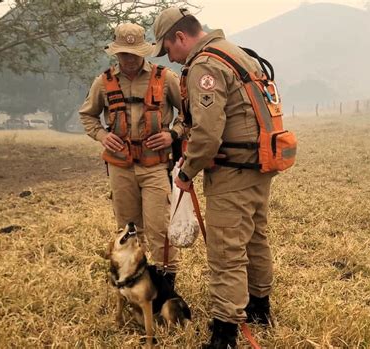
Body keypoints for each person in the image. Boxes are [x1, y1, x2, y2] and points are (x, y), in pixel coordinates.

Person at [153, 7, 276, 348]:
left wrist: (186, 171)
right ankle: (259, 308)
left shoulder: (205, 63)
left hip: (233, 170)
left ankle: (225, 332)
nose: (171, 59)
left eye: (168, 49)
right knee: (254, 238)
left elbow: (207, 134)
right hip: (257, 164)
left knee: (225, 251)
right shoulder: (235, 52)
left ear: (181, 36)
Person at [79, 23, 184, 288]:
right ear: (116, 53)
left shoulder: (166, 78)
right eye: (123, 54)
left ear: (144, 52)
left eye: (134, 54)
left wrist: (172, 135)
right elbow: (87, 115)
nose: (129, 60)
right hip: (120, 167)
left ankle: (164, 285)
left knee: (160, 227)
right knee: (127, 229)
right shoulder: (103, 82)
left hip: (155, 165)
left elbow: (189, 113)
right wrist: (103, 136)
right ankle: (132, 281)